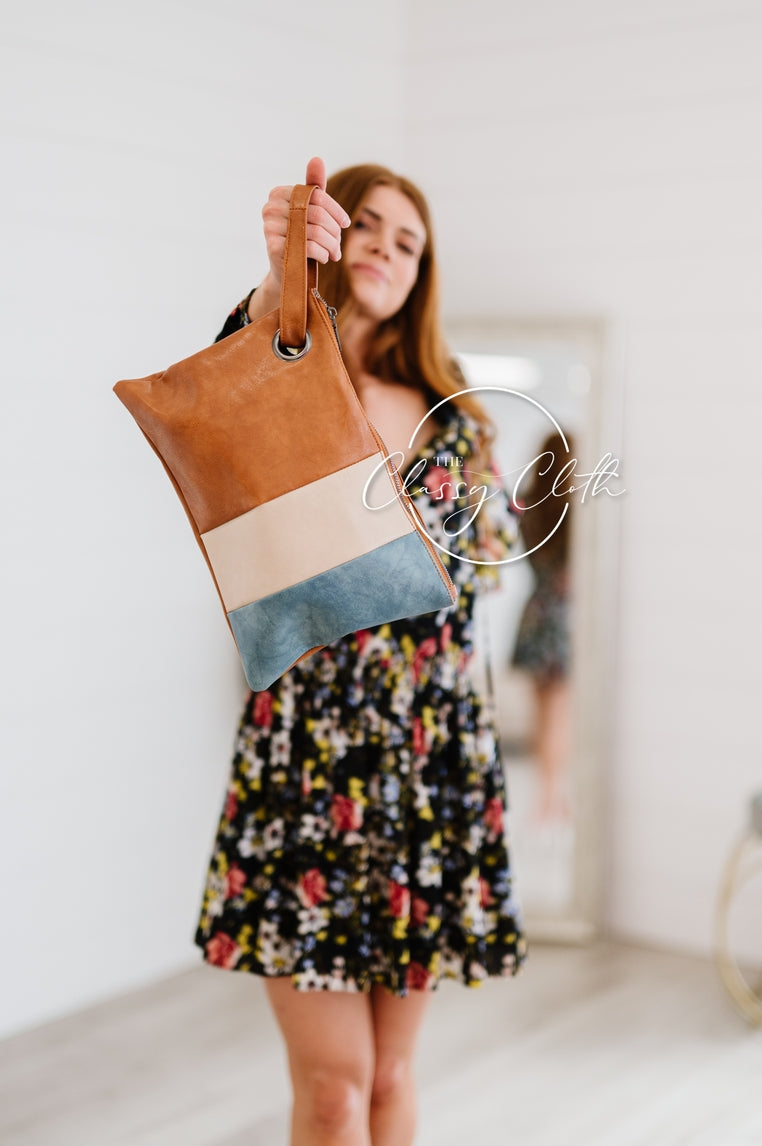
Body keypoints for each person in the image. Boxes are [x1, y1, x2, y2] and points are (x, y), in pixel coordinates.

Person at [194, 157, 526, 1146]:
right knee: (335, 1085)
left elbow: (485, 564)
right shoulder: (291, 362)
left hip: (432, 765)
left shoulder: (454, 415)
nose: (386, 247)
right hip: (307, 759)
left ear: (425, 274)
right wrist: (283, 279)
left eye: (409, 241)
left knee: (387, 1078)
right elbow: (229, 386)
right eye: (369, 226)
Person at [511, 430, 575, 822]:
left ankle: (547, 794)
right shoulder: (575, 508)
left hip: (535, 613)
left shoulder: (530, 504)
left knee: (542, 713)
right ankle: (554, 796)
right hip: (561, 617)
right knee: (559, 712)